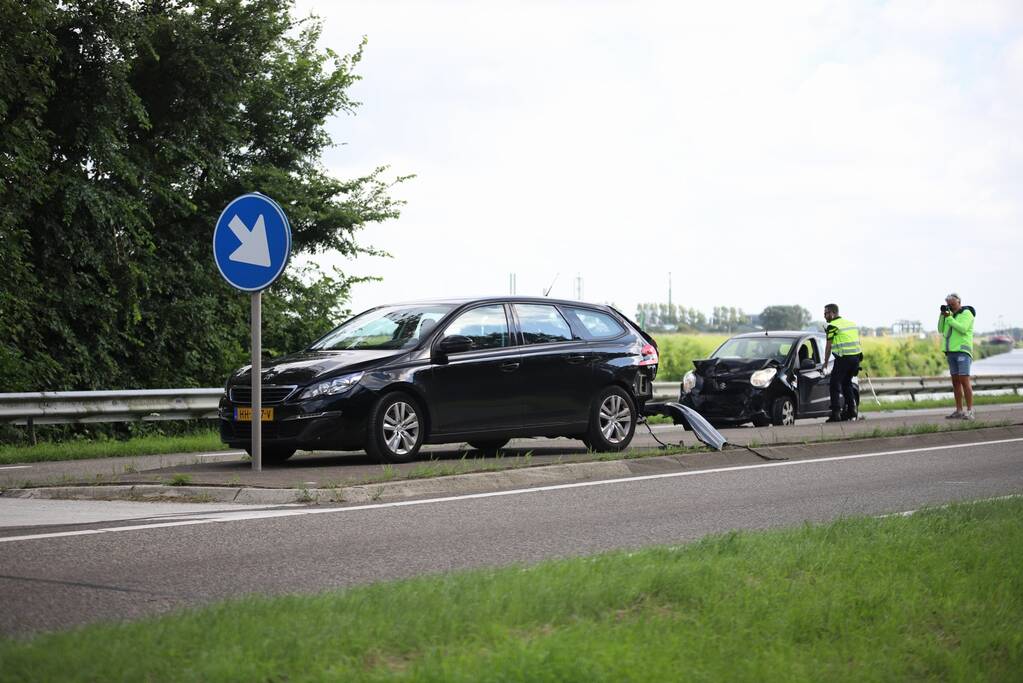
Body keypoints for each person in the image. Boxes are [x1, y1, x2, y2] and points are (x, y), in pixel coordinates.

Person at [821, 303, 862, 422]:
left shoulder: (832, 326)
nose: (825, 316)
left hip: (843, 358)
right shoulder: (851, 324)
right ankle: (852, 410)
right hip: (855, 359)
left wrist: (825, 363)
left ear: (833, 313)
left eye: (826, 313)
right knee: (846, 383)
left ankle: (836, 413)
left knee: (834, 384)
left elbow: (828, 347)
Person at [938, 293, 976, 420]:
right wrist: (942, 316)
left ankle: (970, 411)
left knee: (964, 380)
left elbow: (963, 329)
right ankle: (959, 410)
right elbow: (940, 329)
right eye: (949, 304)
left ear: (959, 302)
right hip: (951, 352)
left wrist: (949, 318)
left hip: (962, 351)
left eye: (952, 303)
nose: (951, 306)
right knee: (955, 383)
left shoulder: (966, 313)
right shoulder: (950, 315)